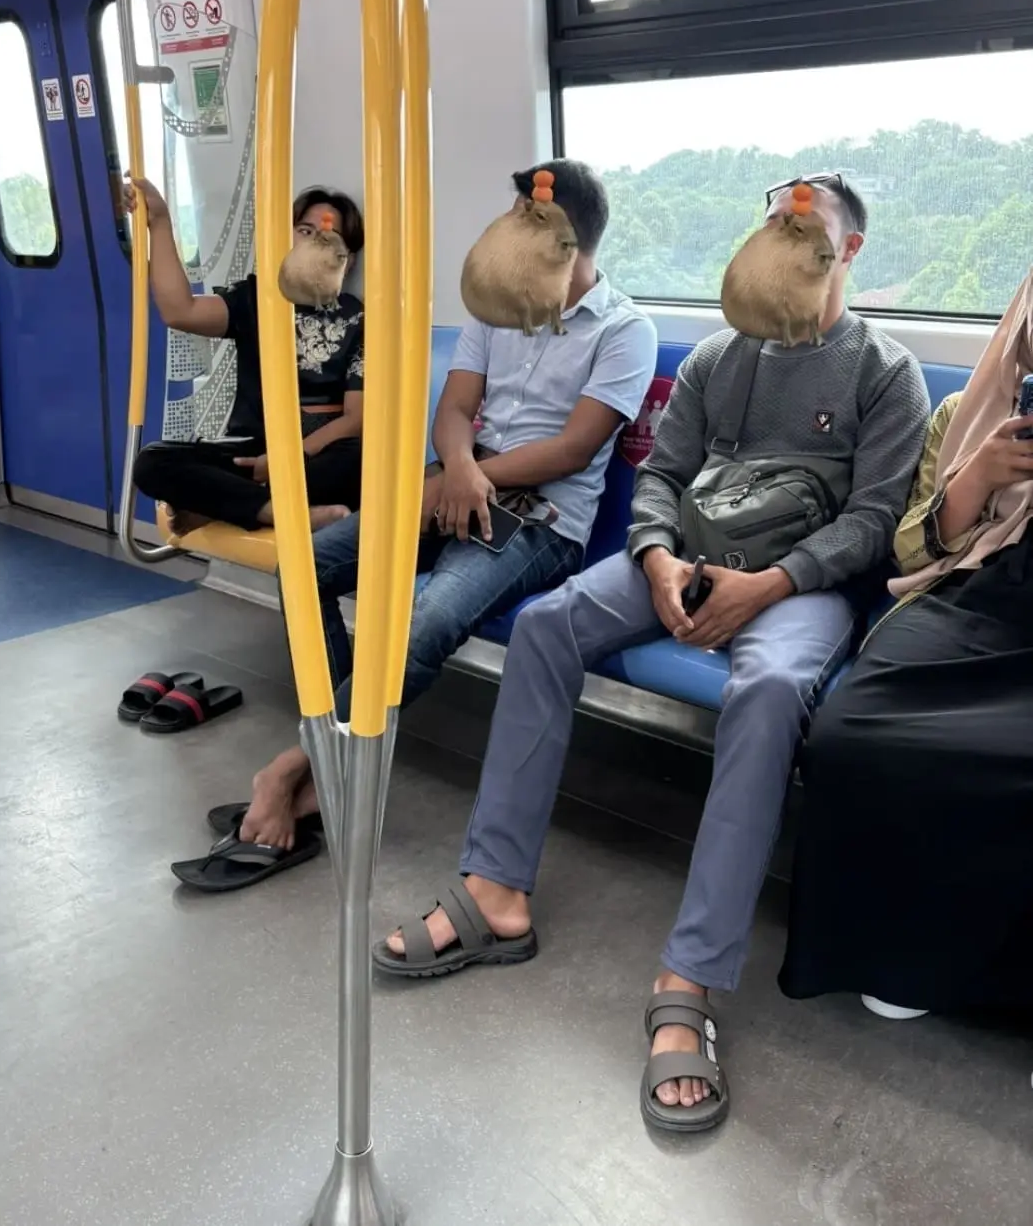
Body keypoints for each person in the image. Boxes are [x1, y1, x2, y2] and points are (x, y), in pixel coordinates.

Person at [374, 172, 931, 1136]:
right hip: (686, 556)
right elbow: (666, 475)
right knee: (549, 625)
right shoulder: (721, 356)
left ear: (848, 254)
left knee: (766, 692)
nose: (782, 242)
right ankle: (495, 888)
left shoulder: (885, 371)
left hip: (798, 586)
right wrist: (659, 559)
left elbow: (879, 519)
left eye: (807, 233)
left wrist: (778, 581)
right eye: (772, 224)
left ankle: (692, 974)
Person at [180, 159, 658, 889]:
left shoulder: (625, 330)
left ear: (567, 241)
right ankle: (340, 754)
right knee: (304, 569)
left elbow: (574, 447)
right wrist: (458, 469)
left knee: (420, 620)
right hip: (457, 480)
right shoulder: (498, 305)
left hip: (539, 519)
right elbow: (455, 409)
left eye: (527, 223)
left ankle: (294, 768)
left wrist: (472, 476)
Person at [780, 268, 1033, 1022]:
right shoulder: (965, 415)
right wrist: (978, 474)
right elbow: (914, 555)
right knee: (849, 734)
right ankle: (893, 955)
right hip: (975, 593)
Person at [130, 178, 365, 535]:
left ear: (346, 262)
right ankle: (276, 511)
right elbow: (180, 310)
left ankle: (228, 504)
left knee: (359, 461)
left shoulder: (357, 317)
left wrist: (289, 459)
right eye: (305, 230)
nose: (315, 242)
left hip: (316, 454)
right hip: (254, 451)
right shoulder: (256, 299)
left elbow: (356, 419)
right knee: (152, 462)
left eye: (331, 237)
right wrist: (159, 222)